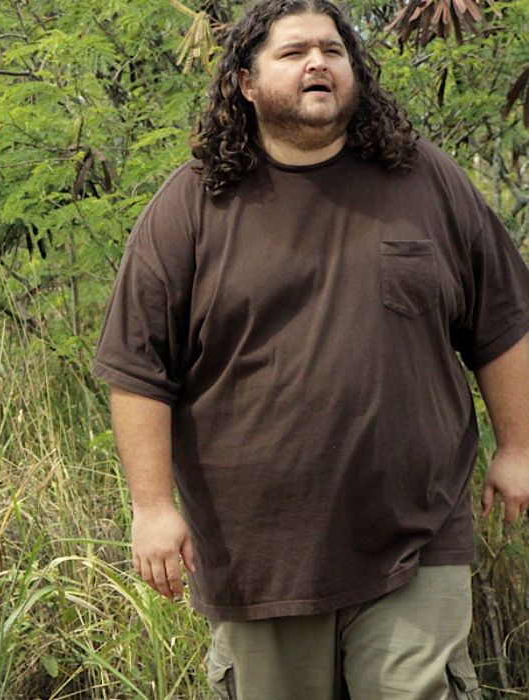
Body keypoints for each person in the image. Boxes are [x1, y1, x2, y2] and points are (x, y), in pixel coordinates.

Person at [92, 0, 529, 697]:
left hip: (416, 531)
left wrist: (517, 447)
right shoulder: (192, 206)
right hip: (259, 553)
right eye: (293, 53)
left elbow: (504, 319)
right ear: (245, 83)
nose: (318, 63)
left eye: (333, 49)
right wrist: (151, 507)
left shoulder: (427, 182)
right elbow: (139, 369)